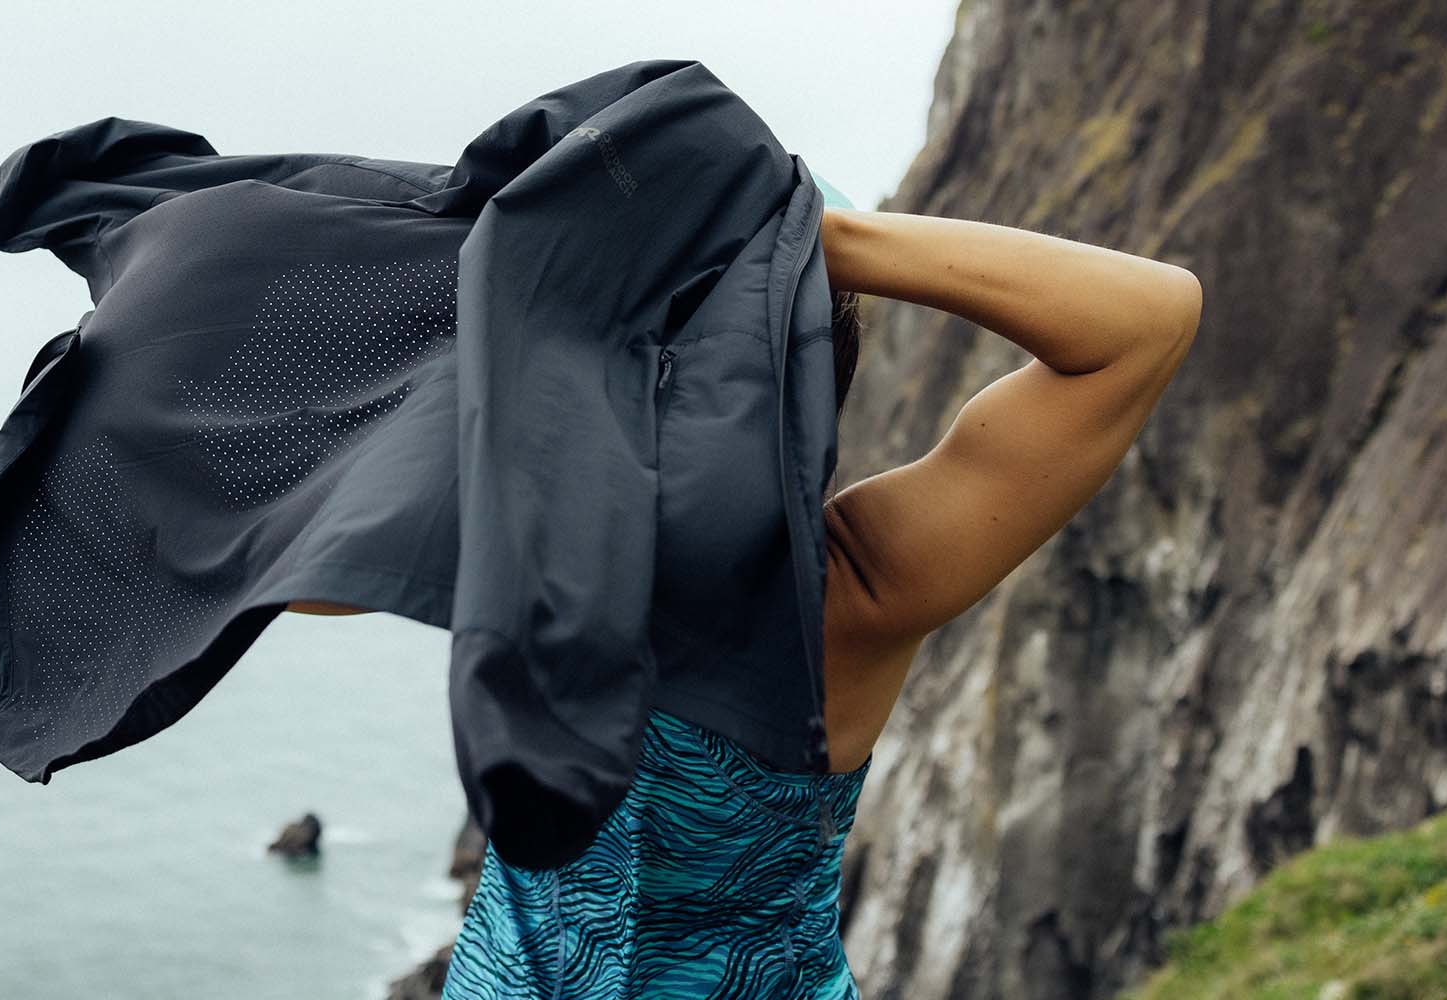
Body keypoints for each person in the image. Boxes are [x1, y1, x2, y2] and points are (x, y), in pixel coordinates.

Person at [295, 206, 1205, 997]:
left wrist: (800, 237)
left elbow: (1154, 312)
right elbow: (1143, 321)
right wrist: (804, 248)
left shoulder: (536, 554)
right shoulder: (853, 591)